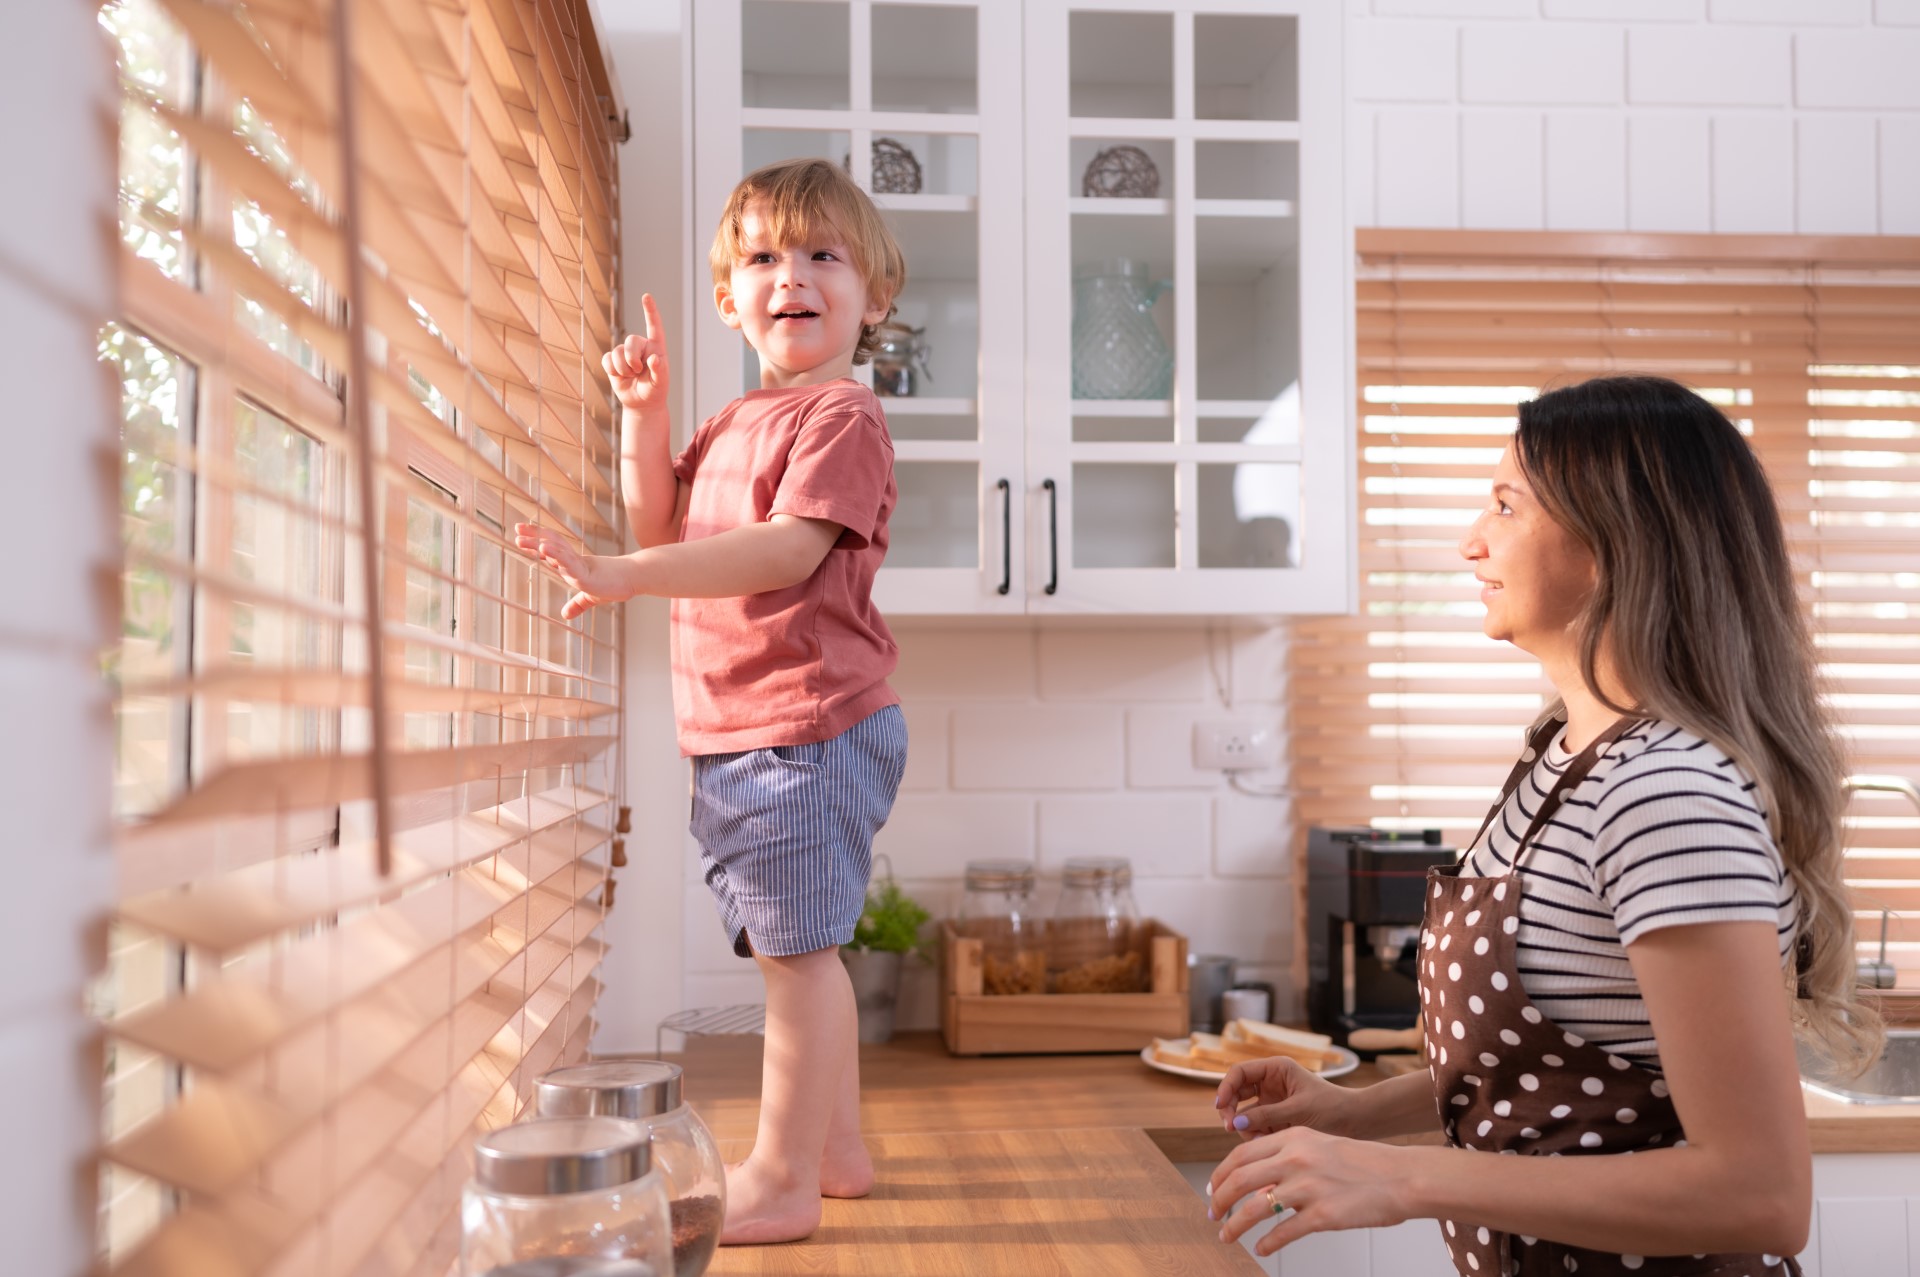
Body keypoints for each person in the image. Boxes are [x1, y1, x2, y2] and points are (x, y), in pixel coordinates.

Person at [1207, 376, 1880, 1275]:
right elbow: (1559, 1069)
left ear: (1613, 544)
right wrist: (1351, 1112)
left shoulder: (1665, 795)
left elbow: (1759, 1192)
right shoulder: (1563, 755)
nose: (1470, 540)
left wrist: (1404, 1177)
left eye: (1505, 506)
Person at [514, 158, 909, 1245]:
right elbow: (662, 522)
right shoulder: (739, 419)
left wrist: (626, 575)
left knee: (797, 956)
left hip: (808, 725)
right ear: (732, 297)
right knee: (800, 946)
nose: (793, 275)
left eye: (824, 254)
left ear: (874, 294)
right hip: (751, 731)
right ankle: (833, 1150)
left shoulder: (841, 418)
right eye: (763, 257)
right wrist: (644, 418)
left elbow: (785, 551)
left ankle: (781, 1175)